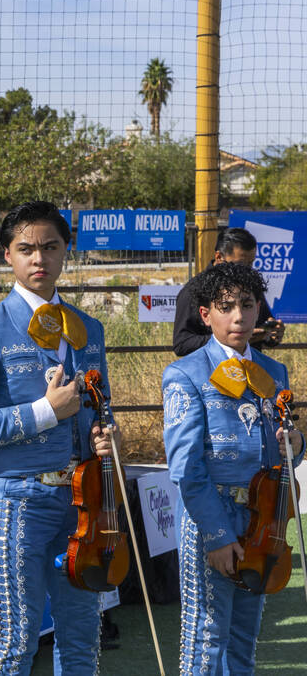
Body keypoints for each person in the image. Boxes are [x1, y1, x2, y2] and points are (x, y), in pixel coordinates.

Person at [0, 200, 115, 674]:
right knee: (17, 640)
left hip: (83, 503)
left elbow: (100, 409)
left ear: (67, 252)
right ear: (7, 256)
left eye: (50, 247)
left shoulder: (91, 330)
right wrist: (44, 411)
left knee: (83, 637)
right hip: (18, 499)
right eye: (26, 249)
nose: (39, 258)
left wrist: (106, 435)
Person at [162, 261, 304, 673]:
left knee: (245, 638)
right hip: (213, 515)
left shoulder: (274, 371)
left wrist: (297, 442)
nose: (239, 316)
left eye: (247, 304)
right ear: (205, 315)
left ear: (260, 309)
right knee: (205, 638)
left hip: (264, 520)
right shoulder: (184, 373)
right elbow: (186, 468)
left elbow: (284, 443)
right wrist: (218, 536)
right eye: (226, 307)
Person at [172, 227, 283, 356]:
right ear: (219, 257)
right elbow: (181, 344)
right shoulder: (193, 291)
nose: (246, 270)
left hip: (249, 370)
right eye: (225, 307)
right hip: (211, 372)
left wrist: (272, 334)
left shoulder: (250, 286)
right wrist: (229, 338)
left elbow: (262, 329)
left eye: (251, 264)